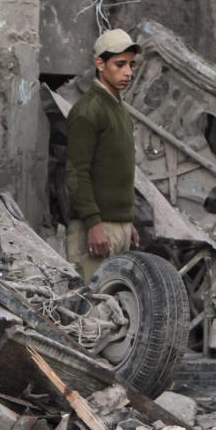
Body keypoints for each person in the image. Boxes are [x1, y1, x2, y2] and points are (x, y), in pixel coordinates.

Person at [65, 28, 141, 280]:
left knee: (112, 307)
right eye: (120, 64)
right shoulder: (88, 110)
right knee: (89, 308)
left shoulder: (119, 109)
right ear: (100, 64)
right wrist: (93, 224)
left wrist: (126, 223)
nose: (128, 72)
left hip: (116, 228)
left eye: (131, 65)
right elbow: (77, 172)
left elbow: (117, 169)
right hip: (95, 230)